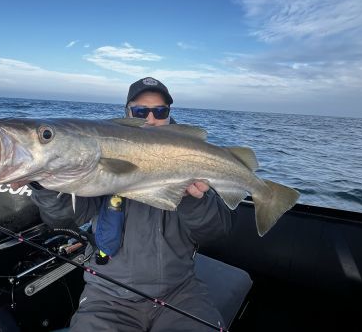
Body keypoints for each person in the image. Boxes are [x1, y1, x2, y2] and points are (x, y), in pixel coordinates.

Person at [31, 77, 233, 331]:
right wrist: (44, 184)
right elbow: (64, 220)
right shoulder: (104, 153)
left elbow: (216, 232)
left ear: (170, 116)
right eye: (140, 111)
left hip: (180, 292)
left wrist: (194, 200)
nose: (150, 118)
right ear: (127, 113)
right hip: (107, 295)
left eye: (160, 111)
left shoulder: (193, 157)